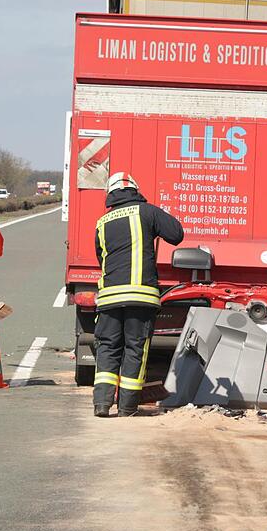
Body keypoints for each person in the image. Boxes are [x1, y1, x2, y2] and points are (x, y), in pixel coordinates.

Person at [93, 172, 184, 417]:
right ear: (135, 190)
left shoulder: (102, 222)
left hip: (109, 296)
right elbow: (176, 234)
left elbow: (101, 258)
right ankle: (127, 407)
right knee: (135, 348)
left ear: (109, 194)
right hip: (141, 295)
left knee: (108, 347)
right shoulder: (148, 212)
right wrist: (157, 215)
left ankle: (101, 404)